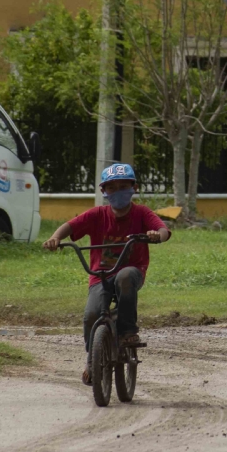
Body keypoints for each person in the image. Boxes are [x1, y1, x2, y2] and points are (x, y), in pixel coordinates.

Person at [43, 162, 170, 384]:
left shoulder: (141, 213)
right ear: (104, 191)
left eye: (124, 186)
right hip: (100, 274)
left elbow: (164, 230)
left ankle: (128, 330)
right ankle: (92, 357)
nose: (118, 192)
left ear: (134, 188)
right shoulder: (97, 215)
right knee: (92, 314)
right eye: (112, 187)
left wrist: (156, 235)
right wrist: (55, 237)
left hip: (132, 271)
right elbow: (69, 226)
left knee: (124, 277)